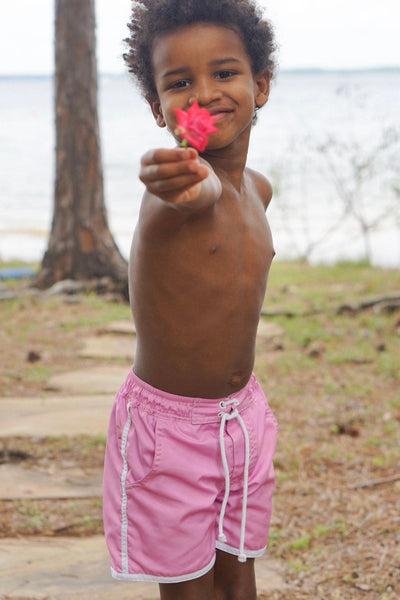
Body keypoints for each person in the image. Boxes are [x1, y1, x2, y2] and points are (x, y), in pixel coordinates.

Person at [103, 1, 278, 598]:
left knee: (239, 575)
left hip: (243, 420)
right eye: (180, 83)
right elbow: (190, 188)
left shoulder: (258, 189)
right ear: (158, 108)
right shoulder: (182, 193)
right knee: (190, 589)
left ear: (260, 86)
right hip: (169, 435)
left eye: (224, 74)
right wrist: (173, 175)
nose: (203, 94)